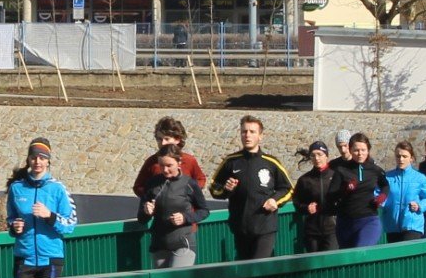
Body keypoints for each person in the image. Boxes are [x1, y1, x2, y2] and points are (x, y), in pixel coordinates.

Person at [212, 115, 293, 261]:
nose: (247, 135)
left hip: (265, 225)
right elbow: (214, 188)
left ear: (260, 136)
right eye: (244, 131)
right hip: (241, 227)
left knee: (259, 267)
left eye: (252, 131)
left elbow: (288, 189)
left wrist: (275, 201)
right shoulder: (231, 161)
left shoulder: (271, 162)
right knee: (246, 270)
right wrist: (226, 189)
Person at [4, 136, 79, 278]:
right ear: (28, 160)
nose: (37, 162)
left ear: (48, 161)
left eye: (42, 158)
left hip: (51, 259)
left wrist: (50, 216)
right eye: (33, 157)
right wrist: (14, 227)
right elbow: (10, 218)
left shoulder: (58, 189)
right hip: (24, 258)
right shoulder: (17, 188)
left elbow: (71, 224)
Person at [140, 147, 210, 268]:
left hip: (183, 243)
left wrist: (185, 218)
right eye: (161, 165)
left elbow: (204, 211)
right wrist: (146, 211)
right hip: (159, 245)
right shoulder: (152, 184)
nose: (165, 170)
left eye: (169, 165)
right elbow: (141, 219)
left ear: (179, 163)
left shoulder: (189, 183)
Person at [332, 130, 388, 249]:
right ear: (350, 150)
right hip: (345, 222)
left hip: (368, 219)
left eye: (363, 150)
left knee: (360, 252)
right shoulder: (341, 170)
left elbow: (385, 185)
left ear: (368, 150)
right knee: (347, 260)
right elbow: (331, 196)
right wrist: (345, 189)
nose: (360, 153)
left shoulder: (375, 170)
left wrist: (382, 197)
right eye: (356, 150)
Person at [132, 115, 206, 201]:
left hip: (186, 212)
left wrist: (189, 192)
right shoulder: (151, 162)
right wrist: (153, 195)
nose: (163, 143)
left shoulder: (189, 160)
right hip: (161, 211)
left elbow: (201, 179)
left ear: (177, 139)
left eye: (167, 139)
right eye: (159, 139)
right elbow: (138, 187)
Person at [379, 141, 426, 242]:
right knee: (395, 256)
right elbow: (378, 194)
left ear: (411, 158)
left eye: (404, 156)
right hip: (392, 225)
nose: (401, 159)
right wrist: (381, 202)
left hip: (412, 225)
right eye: (398, 156)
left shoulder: (419, 178)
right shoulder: (387, 177)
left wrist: (419, 206)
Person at [292, 141, 342, 253]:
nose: (316, 158)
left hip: (332, 229)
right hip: (312, 231)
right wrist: (306, 208)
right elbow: (296, 202)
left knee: (330, 262)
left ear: (326, 156)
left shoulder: (336, 176)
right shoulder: (305, 180)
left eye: (320, 154)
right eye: (313, 155)